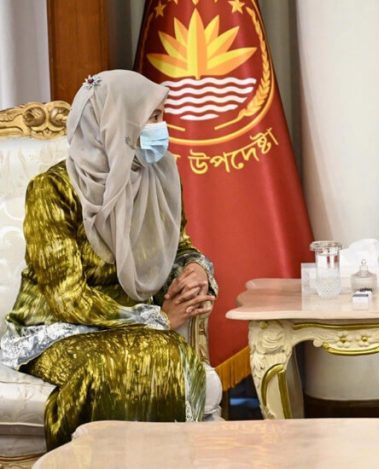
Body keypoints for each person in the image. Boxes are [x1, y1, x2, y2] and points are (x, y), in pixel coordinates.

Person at [0, 70, 223, 449]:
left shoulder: (159, 176)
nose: (162, 128)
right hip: (57, 328)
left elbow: (177, 247)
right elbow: (66, 297)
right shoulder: (52, 190)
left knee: (170, 357)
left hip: (136, 327)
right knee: (113, 369)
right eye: (153, 117)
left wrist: (196, 269)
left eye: (162, 116)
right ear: (116, 123)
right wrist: (157, 318)